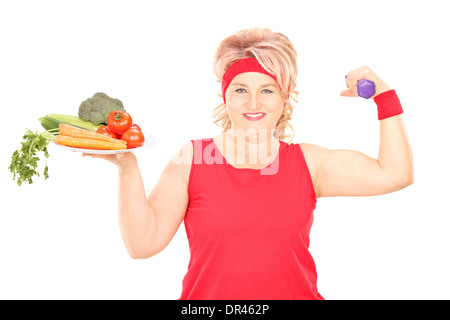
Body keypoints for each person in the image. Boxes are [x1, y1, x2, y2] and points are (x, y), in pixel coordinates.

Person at [84, 27, 414, 300]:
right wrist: (127, 168)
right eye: (241, 89)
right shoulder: (192, 160)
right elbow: (142, 244)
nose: (253, 102)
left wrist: (384, 96)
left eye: (267, 90)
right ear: (224, 96)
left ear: (285, 98)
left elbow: (395, 174)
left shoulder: (308, 164)